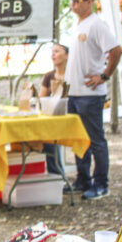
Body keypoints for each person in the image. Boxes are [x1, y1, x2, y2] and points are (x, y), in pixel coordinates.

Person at [65, 0, 122, 200]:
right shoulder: (77, 25)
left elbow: (116, 50)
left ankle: (101, 183)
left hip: (90, 93)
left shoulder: (97, 25)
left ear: (90, 2)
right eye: (72, 1)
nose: (74, 5)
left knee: (95, 139)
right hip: (74, 92)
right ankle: (83, 178)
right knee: (79, 138)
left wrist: (105, 75)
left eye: (79, 1)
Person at [39, 43, 69, 175]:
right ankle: (56, 174)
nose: (53, 54)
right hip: (53, 117)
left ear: (67, 55)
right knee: (48, 137)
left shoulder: (72, 75)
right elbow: (42, 99)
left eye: (57, 51)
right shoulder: (48, 76)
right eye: (52, 52)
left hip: (70, 115)